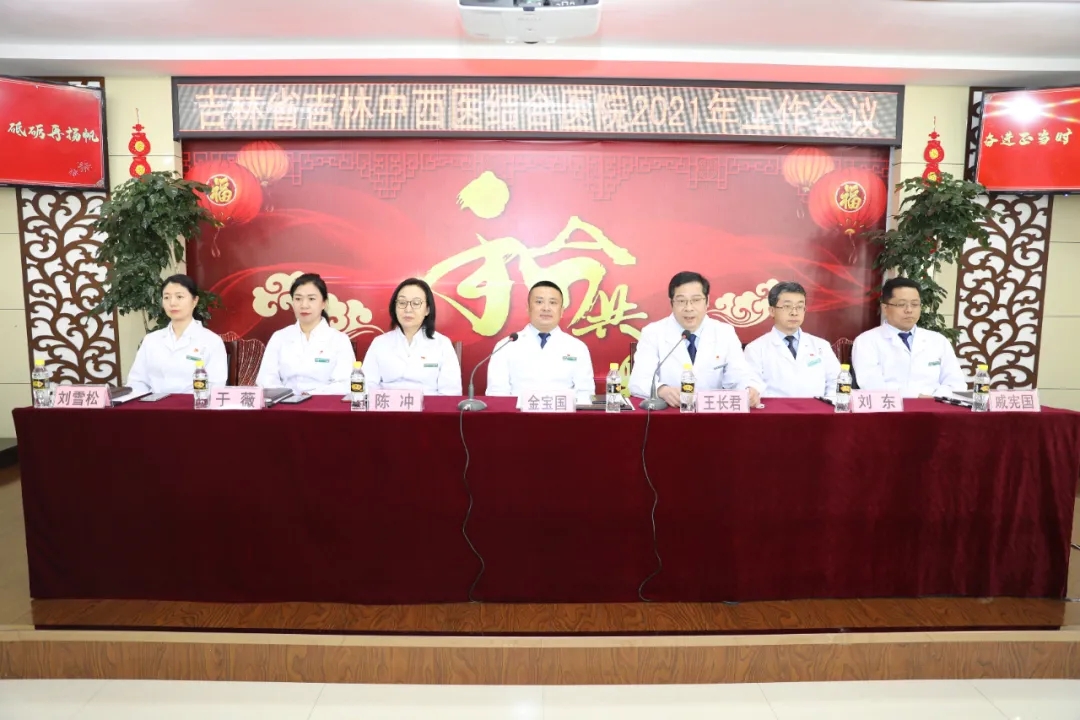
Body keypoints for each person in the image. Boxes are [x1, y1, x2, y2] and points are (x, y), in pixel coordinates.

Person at [629, 271, 764, 407]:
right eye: (681, 301)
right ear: (671, 303)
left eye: (696, 300)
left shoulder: (724, 332)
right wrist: (662, 390)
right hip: (671, 412)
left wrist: (749, 389)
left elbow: (740, 375)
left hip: (712, 413)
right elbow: (638, 380)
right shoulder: (653, 333)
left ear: (707, 301)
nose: (689, 308)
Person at [852, 277, 967, 398]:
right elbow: (872, 386)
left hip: (936, 405)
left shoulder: (938, 341)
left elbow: (956, 383)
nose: (909, 310)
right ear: (885, 308)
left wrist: (936, 398)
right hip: (891, 407)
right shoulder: (866, 341)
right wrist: (916, 397)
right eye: (901, 304)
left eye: (915, 304)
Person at [486, 280, 595, 401]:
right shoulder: (506, 346)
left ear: (562, 311)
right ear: (528, 308)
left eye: (553, 303)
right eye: (539, 302)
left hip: (564, 412)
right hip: (516, 413)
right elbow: (497, 394)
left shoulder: (577, 347)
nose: (546, 308)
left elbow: (585, 393)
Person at [255, 273, 355, 396]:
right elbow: (265, 379)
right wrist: (287, 396)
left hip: (324, 403)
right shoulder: (279, 337)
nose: (304, 305)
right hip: (285, 402)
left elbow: (346, 383)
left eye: (311, 299)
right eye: (298, 299)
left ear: (323, 303)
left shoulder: (339, 340)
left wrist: (311, 395)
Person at [127, 274, 227, 395]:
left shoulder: (212, 341)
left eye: (179, 296)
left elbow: (215, 387)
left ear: (194, 301)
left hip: (194, 405)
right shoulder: (151, 340)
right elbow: (137, 382)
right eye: (166, 297)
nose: (172, 303)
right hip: (154, 405)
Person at [362, 278, 462, 395]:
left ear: (427, 310)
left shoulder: (442, 344)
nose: (408, 309)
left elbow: (450, 393)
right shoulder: (380, 343)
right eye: (402, 303)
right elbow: (366, 386)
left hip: (429, 405)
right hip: (386, 405)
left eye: (416, 303)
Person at [743, 281, 841, 398]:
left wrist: (827, 404)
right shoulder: (755, 349)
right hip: (775, 409)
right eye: (787, 306)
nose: (794, 313)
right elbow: (753, 387)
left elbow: (837, 381)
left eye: (799, 307)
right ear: (772, 311)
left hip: (818, 408)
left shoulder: (821, 346)